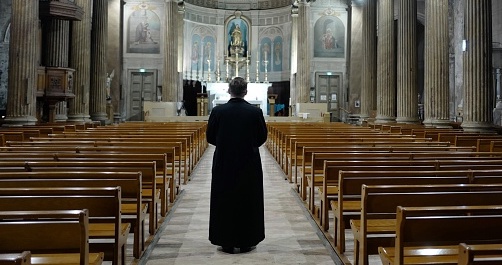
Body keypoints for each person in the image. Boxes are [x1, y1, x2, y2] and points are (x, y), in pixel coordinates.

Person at [206, 77, 268, 254]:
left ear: (228, 90)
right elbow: (262, 137)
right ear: (246, 92)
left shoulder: (218, 111)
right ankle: (247, 240)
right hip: (249, 161)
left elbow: (210, 137)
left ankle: (225, 240)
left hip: (224, 161)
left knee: (224, 197)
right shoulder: (254, 112)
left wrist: (226, 144)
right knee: (248, 198)